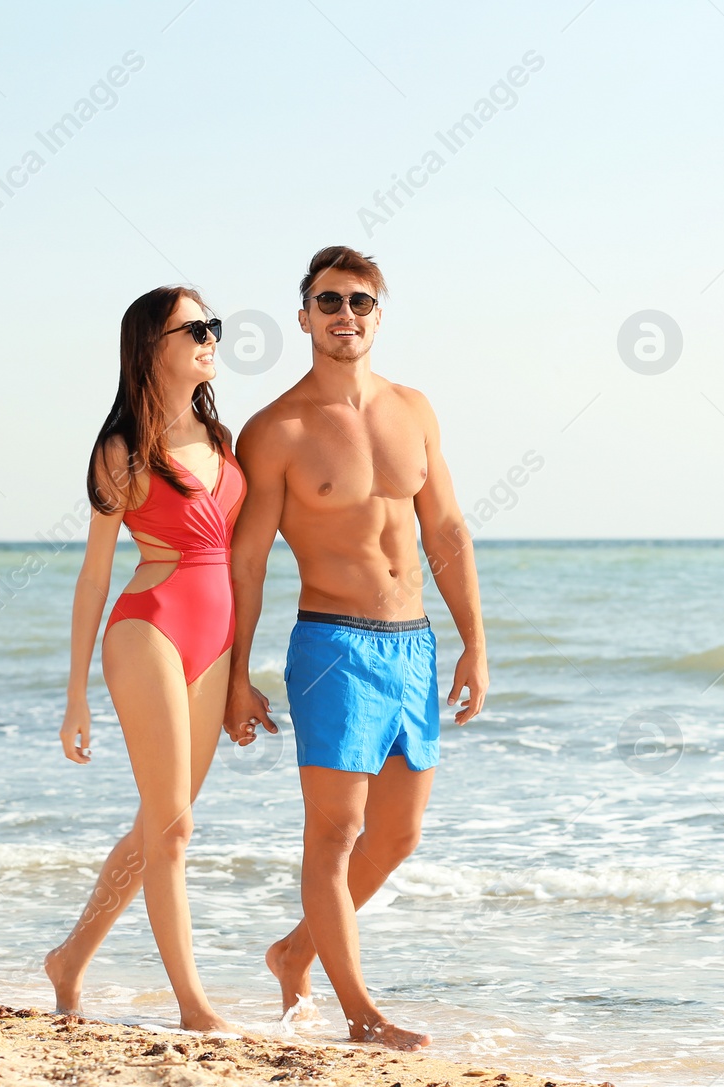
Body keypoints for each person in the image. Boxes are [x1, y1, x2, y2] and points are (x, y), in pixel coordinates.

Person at [225, 246, 489, 1051]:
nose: (346, 316)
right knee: (334, 834)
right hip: (333, 645)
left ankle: (293, 951)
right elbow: (248, 558)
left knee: (399, 834)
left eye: (361, 303)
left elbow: (444, 530)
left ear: (379, 315)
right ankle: (361, 1014)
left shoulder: (413, 409)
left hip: (414, 646)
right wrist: (237, 674)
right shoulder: (275, 430)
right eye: (330, 302)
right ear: (304, 316)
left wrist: (474, 642)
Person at [44, 285, 245, 1033]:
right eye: (192, 327)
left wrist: (246, 669)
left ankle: (69, 959)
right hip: (147, 631)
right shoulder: (123, 448)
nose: (209, 337)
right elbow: (95, 573)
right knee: (175, 829)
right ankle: (194, 1006)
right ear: (150, 347)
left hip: (214, 643)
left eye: (212, 325)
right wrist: (75, 694)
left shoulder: (224, 442)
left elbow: (245, 557)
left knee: (160, 824)